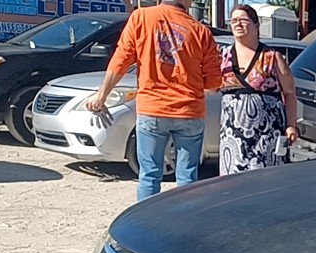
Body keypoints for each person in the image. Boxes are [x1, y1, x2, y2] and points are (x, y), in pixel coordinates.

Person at [86, 0, 220, 201]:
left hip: (153, 109)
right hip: (189, 111)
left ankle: (146, 225)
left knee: (149, 175)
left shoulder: (141, 17)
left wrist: (101, 96)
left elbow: (121, 60)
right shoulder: (201, 31)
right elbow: (212, 85)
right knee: (187, 178)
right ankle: (184, 224)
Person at [219, 5, 298, 175]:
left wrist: (291, 126)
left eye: (243, 20)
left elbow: (290, 93)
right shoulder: (222, 56)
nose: (237, 24)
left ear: (256, 24)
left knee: (266, 182)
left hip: (267, 136)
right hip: (232, 136)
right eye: (233, 21)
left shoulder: (272, 56)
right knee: (232, 185)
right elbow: (211, 88)